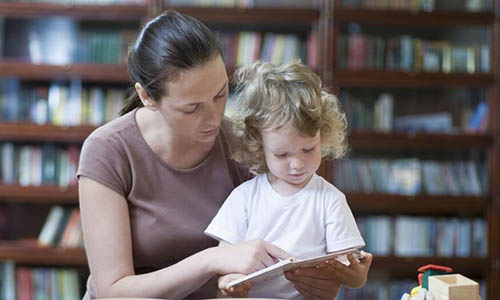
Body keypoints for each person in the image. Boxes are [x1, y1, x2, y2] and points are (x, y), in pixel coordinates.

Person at [77, 10, 350, 300]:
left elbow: (289, 237)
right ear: (146, 97)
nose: (214, 118)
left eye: (221, 94)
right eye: (192, 108)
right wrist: (211, 261)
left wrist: (317, 281)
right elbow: (112, 291)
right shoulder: (108, 151)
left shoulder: (243, 143)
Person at [204, 61, 373, 299]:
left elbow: (353, 278)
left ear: (322, 135)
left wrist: (356, 275)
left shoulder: (330, 200)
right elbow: (224, 264)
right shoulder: (244, 198)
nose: (297, 164)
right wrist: (230, 282)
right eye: (282, 154)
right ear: (258, 146)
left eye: (308, 149)